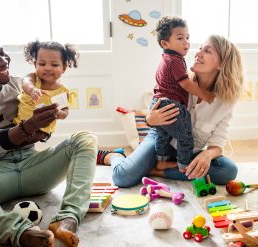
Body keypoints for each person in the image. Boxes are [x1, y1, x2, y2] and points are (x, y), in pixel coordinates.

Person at [0, 28, 97, 247]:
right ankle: (15, 231)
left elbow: (43, 129)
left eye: (2, 53)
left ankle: (67, 218)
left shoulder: (18, 84)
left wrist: (44, 126)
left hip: (33, 168)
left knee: (85, 138)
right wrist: (28, 127)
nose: (3, 61)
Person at [99, 34, 243, 187]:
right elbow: (154, 109)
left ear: (222, 64)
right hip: (161, 141)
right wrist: (150, 119)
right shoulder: (179, 79)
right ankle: (114, 156)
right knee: (122, 177)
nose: (198, 53)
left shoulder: (226, 101)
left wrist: (207, 154)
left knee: (228, 171)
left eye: (207, 51)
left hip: (190, 152)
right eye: (200, 48)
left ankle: (158, 171)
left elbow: (217, 142)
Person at [150, 16, 214, 172]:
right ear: (165, 43)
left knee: (163, 136)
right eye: (180, 38)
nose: (186, 42)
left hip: (157, 102)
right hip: (170, 104)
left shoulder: (165, 58)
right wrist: (205, 95)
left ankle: (162, 160)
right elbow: (185, 83)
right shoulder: (175, 60)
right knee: (185, 137)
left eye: (187, 37)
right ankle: (185, 165)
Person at [13, 40, 78, 136]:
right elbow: (26, 83)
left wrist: (59, 113)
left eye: (54, 65)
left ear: (63, 68)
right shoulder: (33, 78)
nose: (47, 68)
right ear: (35, 65)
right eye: (42, 64)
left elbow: (65, 111)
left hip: (42, 132)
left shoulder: (62, 91)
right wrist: (33, 90)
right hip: (20, 127)